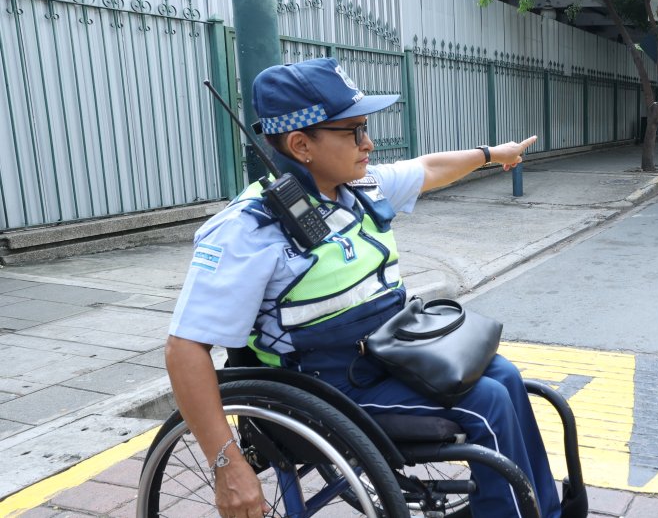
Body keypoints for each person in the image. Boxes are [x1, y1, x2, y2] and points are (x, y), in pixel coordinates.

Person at [165, 57, 559, 518]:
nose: (368, 143)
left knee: (505, 375)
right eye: (353, 132)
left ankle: (544, 510)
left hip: (385, 355)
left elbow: (428, 169)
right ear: (300, 144)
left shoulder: (357, 186)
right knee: (486, 402)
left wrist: (493, 154)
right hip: (323, 387)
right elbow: (184, 349)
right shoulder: (246, 231)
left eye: (365, 128)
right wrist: (226, 463)